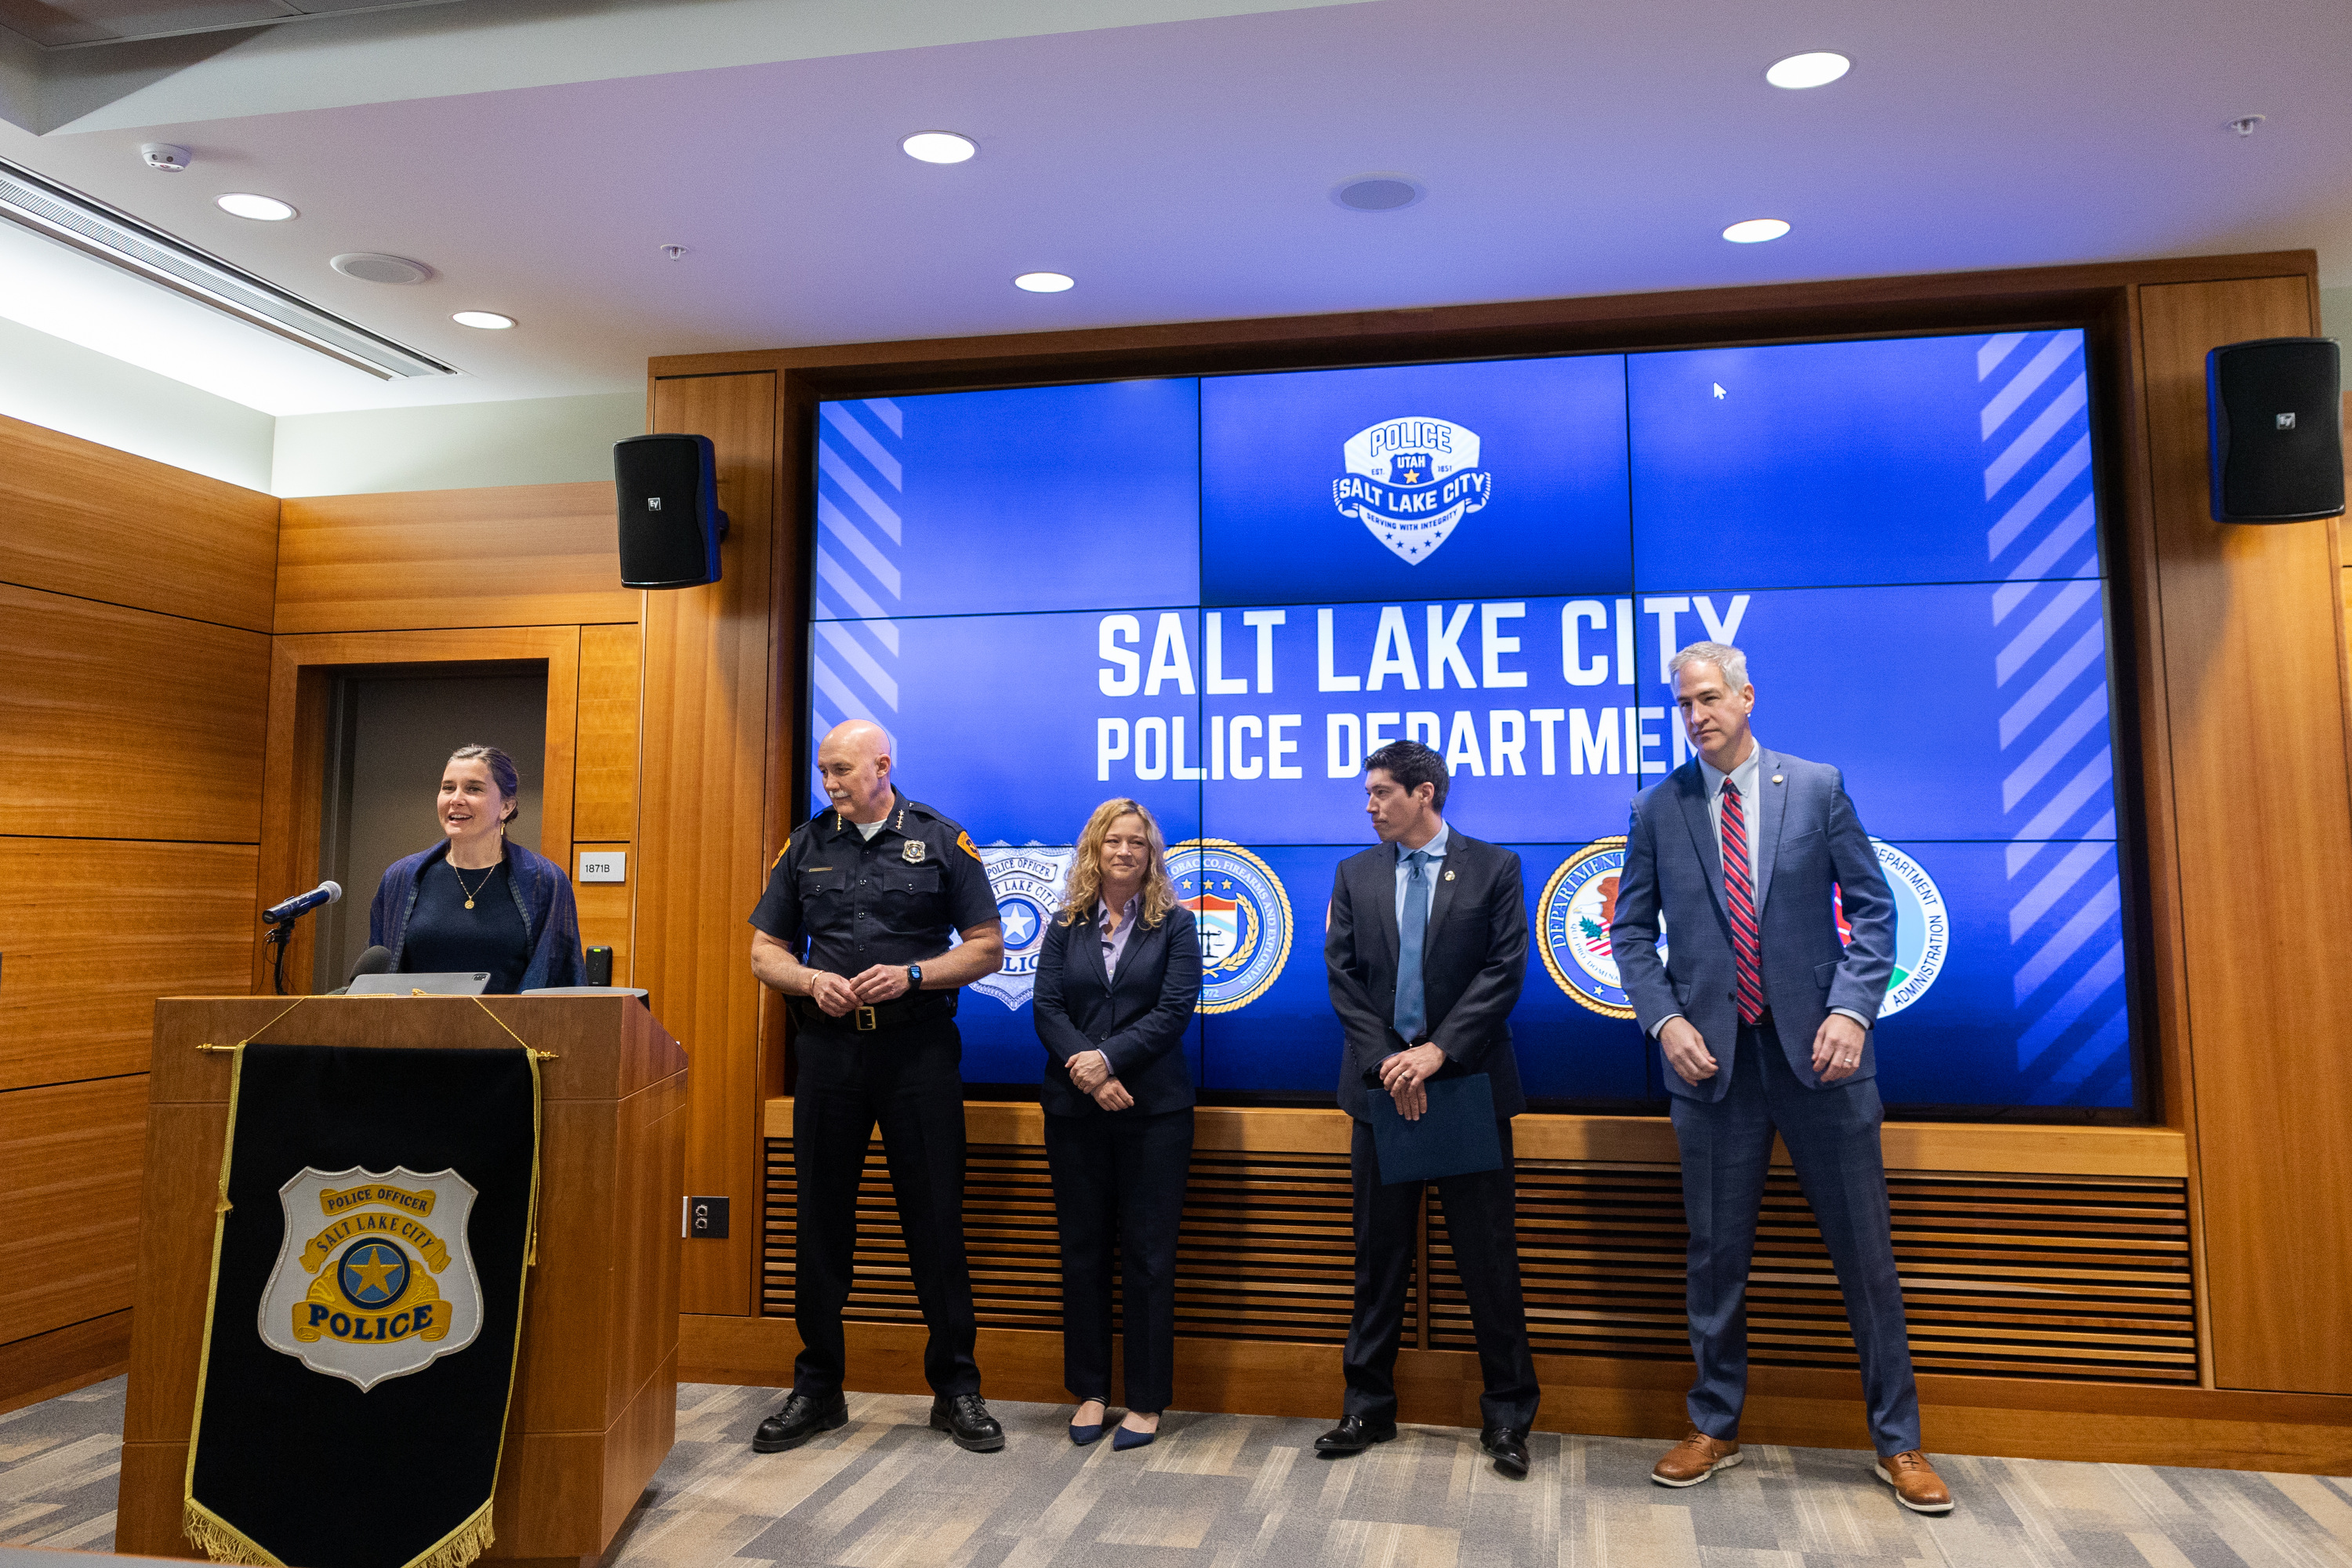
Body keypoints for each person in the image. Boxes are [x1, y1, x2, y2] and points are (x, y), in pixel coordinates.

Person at [1609, 641, 1954, 1514]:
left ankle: (1899, 1441)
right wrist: (1666, 1019)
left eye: (1711, 698)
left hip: (1823, 1061)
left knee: (1866, 1259)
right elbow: (1629, 935)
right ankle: (1714, 1424)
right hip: (1714, 1067)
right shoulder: (1659, 806)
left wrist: (1851, 1009)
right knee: (1714, 1258)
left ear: (1747, 696)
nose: (1698, 715)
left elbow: (1874, 909)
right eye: (1685, 704)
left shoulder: (1816, 786)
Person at [746, 720, 1008, 1454]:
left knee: (935, 1222)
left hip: (917, 1056)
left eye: (841, 770)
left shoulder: (941, 839)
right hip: (828, 1057)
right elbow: (764, 953)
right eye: (823, 771)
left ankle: (956, 1390)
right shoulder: (805, 844)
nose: (829, 783)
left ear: (882, 766)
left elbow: (988, 946)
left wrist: (915, 974)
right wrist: (810, 979)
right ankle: (818, 1387)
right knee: (820, 1223)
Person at [1318, 739, 1541, 1479]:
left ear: (1425, 794)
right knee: (1378, 1261)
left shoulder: (1494, 868)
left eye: (1382, 792)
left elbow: (1504, 971)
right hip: (1383, 1090)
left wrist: (1437, 1052)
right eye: (1367, 792)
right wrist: (1392, 1058)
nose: (1370, 805)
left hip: (1464, 1085)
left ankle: (1508, 1418)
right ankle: (1366, 1407)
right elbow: (1344, 980)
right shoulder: (1356, 874)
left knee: (1488, 1264)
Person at [1031, 799, 1203, 1453]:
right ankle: (1091, 1391)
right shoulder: (1065, 922)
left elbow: (1173, 1011)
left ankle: (1147, 1400)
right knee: (1083, 1250)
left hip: (1154, 1112)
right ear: (1094, 851)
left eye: (1137, 842)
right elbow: (1047, 1006)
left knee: (1150, 1256)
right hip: (1075, 1112)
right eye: (1113, 841)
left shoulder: (1176, 926)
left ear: (1151, 853)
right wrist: (1088, 1074)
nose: (1125, 851)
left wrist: (1105, 1061)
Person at [369, 744, 583, 993]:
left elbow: (563, 980)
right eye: (448, 788)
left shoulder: (545, 880)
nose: (456, 799)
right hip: (415, 1030)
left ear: (506, 807)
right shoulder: (401, 877)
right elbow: (376, 977)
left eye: (473, 789)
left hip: (511, 1030)